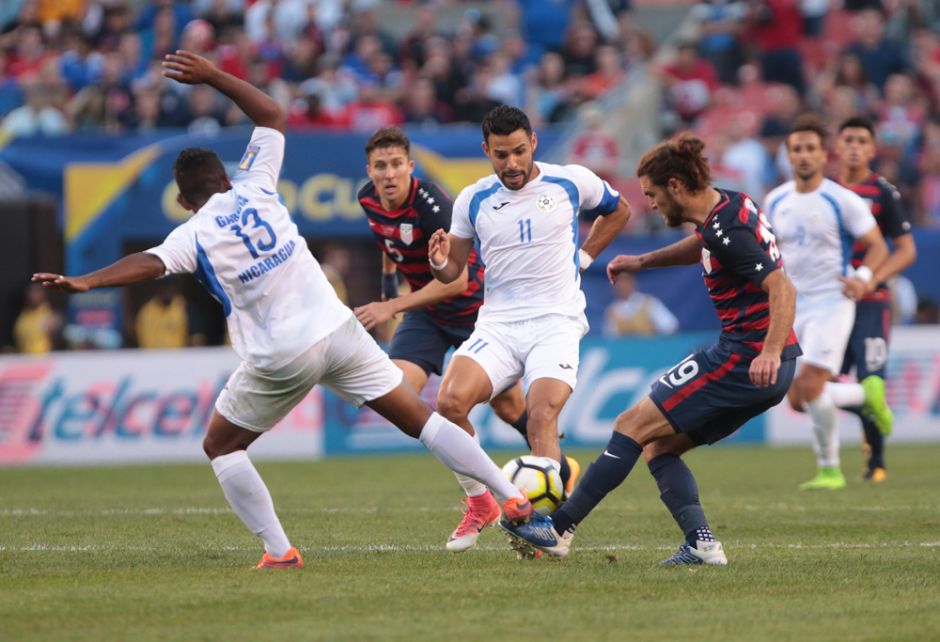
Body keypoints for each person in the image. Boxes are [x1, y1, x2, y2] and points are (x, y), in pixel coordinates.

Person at [32, 50, 533, 570]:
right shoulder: (256, 184)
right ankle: (510, 496)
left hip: (283, 355)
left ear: (184, 203)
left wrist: (87, 280)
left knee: (222, 446)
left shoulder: (194, 234)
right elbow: (272, 113)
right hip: (339, 330)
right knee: (423, 421)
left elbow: (147, 262)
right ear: (224, 179)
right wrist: (215, 76)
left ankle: (279, 552)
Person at [502, 133, 801, 565]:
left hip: (746, 357)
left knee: (629, 425)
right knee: (659, 447)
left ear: (676, 186)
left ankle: (558, 528)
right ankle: (701, 545)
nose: (651, 204)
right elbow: (705, 244)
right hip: (764, 361)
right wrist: (642, 262)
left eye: (653, 195)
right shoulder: (728, 207)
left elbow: (782, 286)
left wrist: (769, 351)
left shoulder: (726, 226)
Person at [354, 125, 578, 553]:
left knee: (514, 407)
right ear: (370, 170)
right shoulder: (367, 198)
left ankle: (556, 474)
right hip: (425, 313)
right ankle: (482, 502)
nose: (388, 174)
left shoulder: (435, 204)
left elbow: (455, 283)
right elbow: (388, 242)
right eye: (380, 166)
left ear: (410, 167)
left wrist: (391, 307)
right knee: (399, 397)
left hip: (474, 310)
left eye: (396, 164)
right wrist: (388, 289)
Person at [428, 105, 632, 535]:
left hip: (555, 321)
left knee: (540, 416)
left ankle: (548, 527)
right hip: (498, 325)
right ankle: (484, 501)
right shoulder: (473, 198)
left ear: (533, 143)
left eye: (519, 151)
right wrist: (439, 263)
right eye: (501, 154)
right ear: (487, 150)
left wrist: (586, 255)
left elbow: (619, 210)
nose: (512, 163)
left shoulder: (570, 180)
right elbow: (455, 273)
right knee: (449, 404)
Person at [763, 114, 889, 491]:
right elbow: (771, 253)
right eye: (797, 149)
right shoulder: (776, 200)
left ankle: (830, 470)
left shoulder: (841, 200)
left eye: (811, 149)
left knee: (813, 385)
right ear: (788, 154)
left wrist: (863, 279)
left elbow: (879, 246)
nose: (804, 156)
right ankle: (864, 393)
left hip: (832, 302)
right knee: (795, 397)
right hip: (792, 305)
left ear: (823, 155)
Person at [834, 116, 917, 482]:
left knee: (872, 381)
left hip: (871, 302)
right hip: (831, 303)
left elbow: (905, 249)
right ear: (837, 146)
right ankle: (870, 425)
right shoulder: (823, 191)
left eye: (861, 141)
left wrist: (872, 280)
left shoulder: (882, 191)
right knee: (822, 386)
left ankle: (877, 462)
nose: (854, 146)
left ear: (871, 149)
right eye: (848, 139)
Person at [604, 272, 679, 337]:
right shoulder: (612, 311)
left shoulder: (649, 303)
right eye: (617, 282)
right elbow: (610, 338)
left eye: (625, 281)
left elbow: (671, 327)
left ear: (633, 282)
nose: (621, 285)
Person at [135, 281, 190, 348]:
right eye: (164, 288)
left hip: (178, 356)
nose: (167, 291)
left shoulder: (185, 307)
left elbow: (196, 339)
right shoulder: (146, 311)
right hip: (151, 357)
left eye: (170, 288)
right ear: (158, 289)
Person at [13, 283, 62, 354]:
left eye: (36, 292)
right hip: (24, 358)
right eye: (31, 292)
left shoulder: (49, 314)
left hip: (43, 359)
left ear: (43, 295)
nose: (32, 296)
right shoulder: (24, 315)